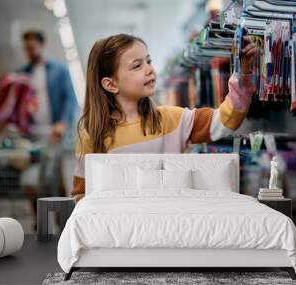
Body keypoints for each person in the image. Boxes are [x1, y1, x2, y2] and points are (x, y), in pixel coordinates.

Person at [72, 34, 258, 203]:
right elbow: (81, 195)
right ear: (111, 84)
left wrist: (243, 72)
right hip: (121, 235)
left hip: (170, 227)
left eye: (148, 61)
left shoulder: (173, 120)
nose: (149, 70)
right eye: (137, 66)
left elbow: (227, 119)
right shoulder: (92, 134)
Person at [17, 30, 79, 225]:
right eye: (26, 48)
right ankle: (40, 220)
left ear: (42, 45)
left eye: (33, 47)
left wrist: (63, 123)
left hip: (54, 133)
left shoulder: (59, 70)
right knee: (32, 178)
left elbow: (71, 100)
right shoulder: (22, 74)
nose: (30, 51)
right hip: (31, 134)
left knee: (54, 177)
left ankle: (63, 221)